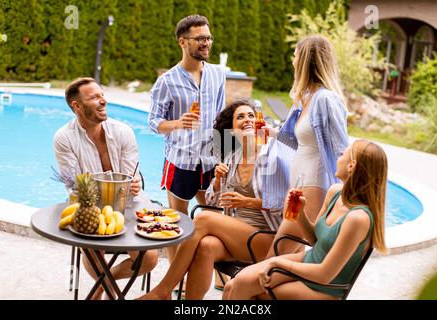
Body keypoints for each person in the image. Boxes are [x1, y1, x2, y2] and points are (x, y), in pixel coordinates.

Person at [138, 100, 282, 300]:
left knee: (204, 219)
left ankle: (163, 290)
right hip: (239, 238)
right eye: (240, 117)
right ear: (231, 129)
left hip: (268, 239)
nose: (247, 119)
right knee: (206, 246)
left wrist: (248, 202)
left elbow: (285, 206)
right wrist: (217, 182)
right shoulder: (232, 157)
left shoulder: (272, 156)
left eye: (251, 115)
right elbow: (213, 202)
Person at [224, 139, 389, 300]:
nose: (337, 158)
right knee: (234, 284)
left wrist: (278, 263)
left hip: (323, 287)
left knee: (248, 291)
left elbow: (324, 275)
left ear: (351, 166)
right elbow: (315, 241)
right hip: (308, 264)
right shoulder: (335, 193)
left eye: (342, 155)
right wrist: (300, 214)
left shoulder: (358, 219)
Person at [54, 77, 158, 299]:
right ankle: (114, 294)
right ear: (77, 106)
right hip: (87, 207)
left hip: (129, 205)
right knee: (93, 248)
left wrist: (135, 182)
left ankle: (100, 288)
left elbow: (132, 176)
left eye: (102, 95)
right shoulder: (64, 138)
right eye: (94, 97)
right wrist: (120, 186)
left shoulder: (123, 131)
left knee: (149, 259)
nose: (103, 101)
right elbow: (75, 188)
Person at [148, 15, 226, 266]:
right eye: (200, 38)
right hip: (180, 161)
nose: (207, 43)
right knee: (176, 223)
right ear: (183, 41)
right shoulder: (166, 82)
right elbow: (153, 122)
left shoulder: (217, 74)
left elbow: (221, 117)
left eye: (209, 38)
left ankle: (218, 274)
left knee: (217, 217)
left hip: (211, 159)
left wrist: (228, 156)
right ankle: (174, 281)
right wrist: (178, 123)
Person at [263, 35, 349, 253]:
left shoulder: (326, 100)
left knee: (276, 255)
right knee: (291, 253)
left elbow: (342, 148)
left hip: (314, 182)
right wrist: (272, 133)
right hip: (298, 181)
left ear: (305, 61)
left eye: (295, 56)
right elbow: (299, 142)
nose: (292, 61)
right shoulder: (305, 99)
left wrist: (347, 193)